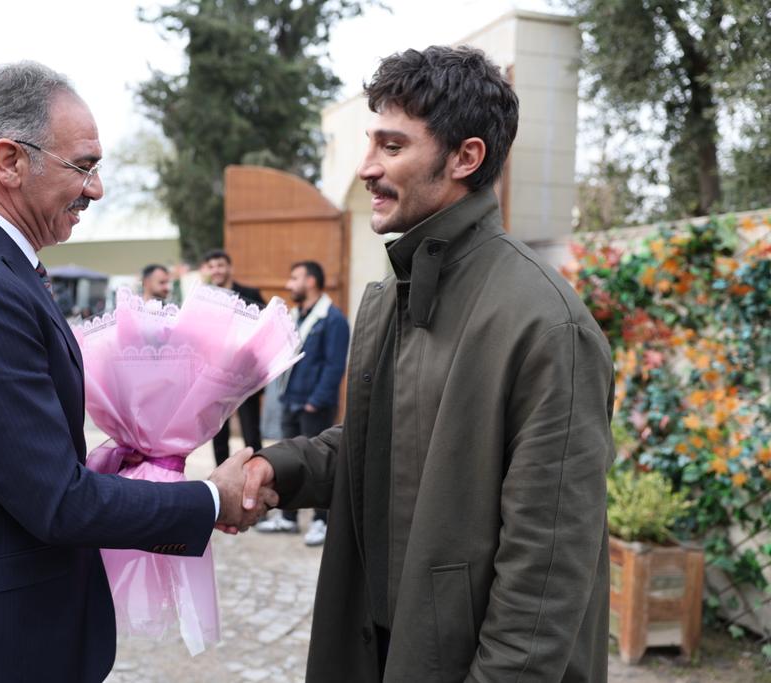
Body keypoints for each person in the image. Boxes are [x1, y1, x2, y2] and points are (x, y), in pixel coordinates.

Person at [0, 61, 273, 683]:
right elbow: (54, 503)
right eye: (83, 166)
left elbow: (2, 464)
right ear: (10, 161)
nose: (95, 190)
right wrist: (210, 500)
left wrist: (108, 461)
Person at [239, 46, 615, 681]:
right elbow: (380, 449)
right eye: (370, 143)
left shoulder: (548, 324)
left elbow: (546, 564)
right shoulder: (390, 293)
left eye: (392, 146)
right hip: (382, 647)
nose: (365, 168)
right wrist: (277, 466)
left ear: (465, 157)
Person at [255, 261, 348, 546]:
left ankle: (322, 521)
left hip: (313, 405)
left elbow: (335, 366)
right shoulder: (295, 315)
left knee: (319, 460)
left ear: (311, 282)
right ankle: (288, 518)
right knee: (289, 459)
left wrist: (316, 400)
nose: (288, 284)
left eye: (294, 278)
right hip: (290, 401)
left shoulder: (333, 319)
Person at [201, 248, 265, 466]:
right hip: (215, 375)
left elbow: (266, 330)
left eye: (220, 265)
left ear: (230, 267)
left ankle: (256, 475)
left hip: (245, 374)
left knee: (251, 432)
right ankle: (221, 479)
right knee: (217, 432)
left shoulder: (251, 294)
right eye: (212, 266)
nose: (216, 270)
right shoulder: (204, 298)